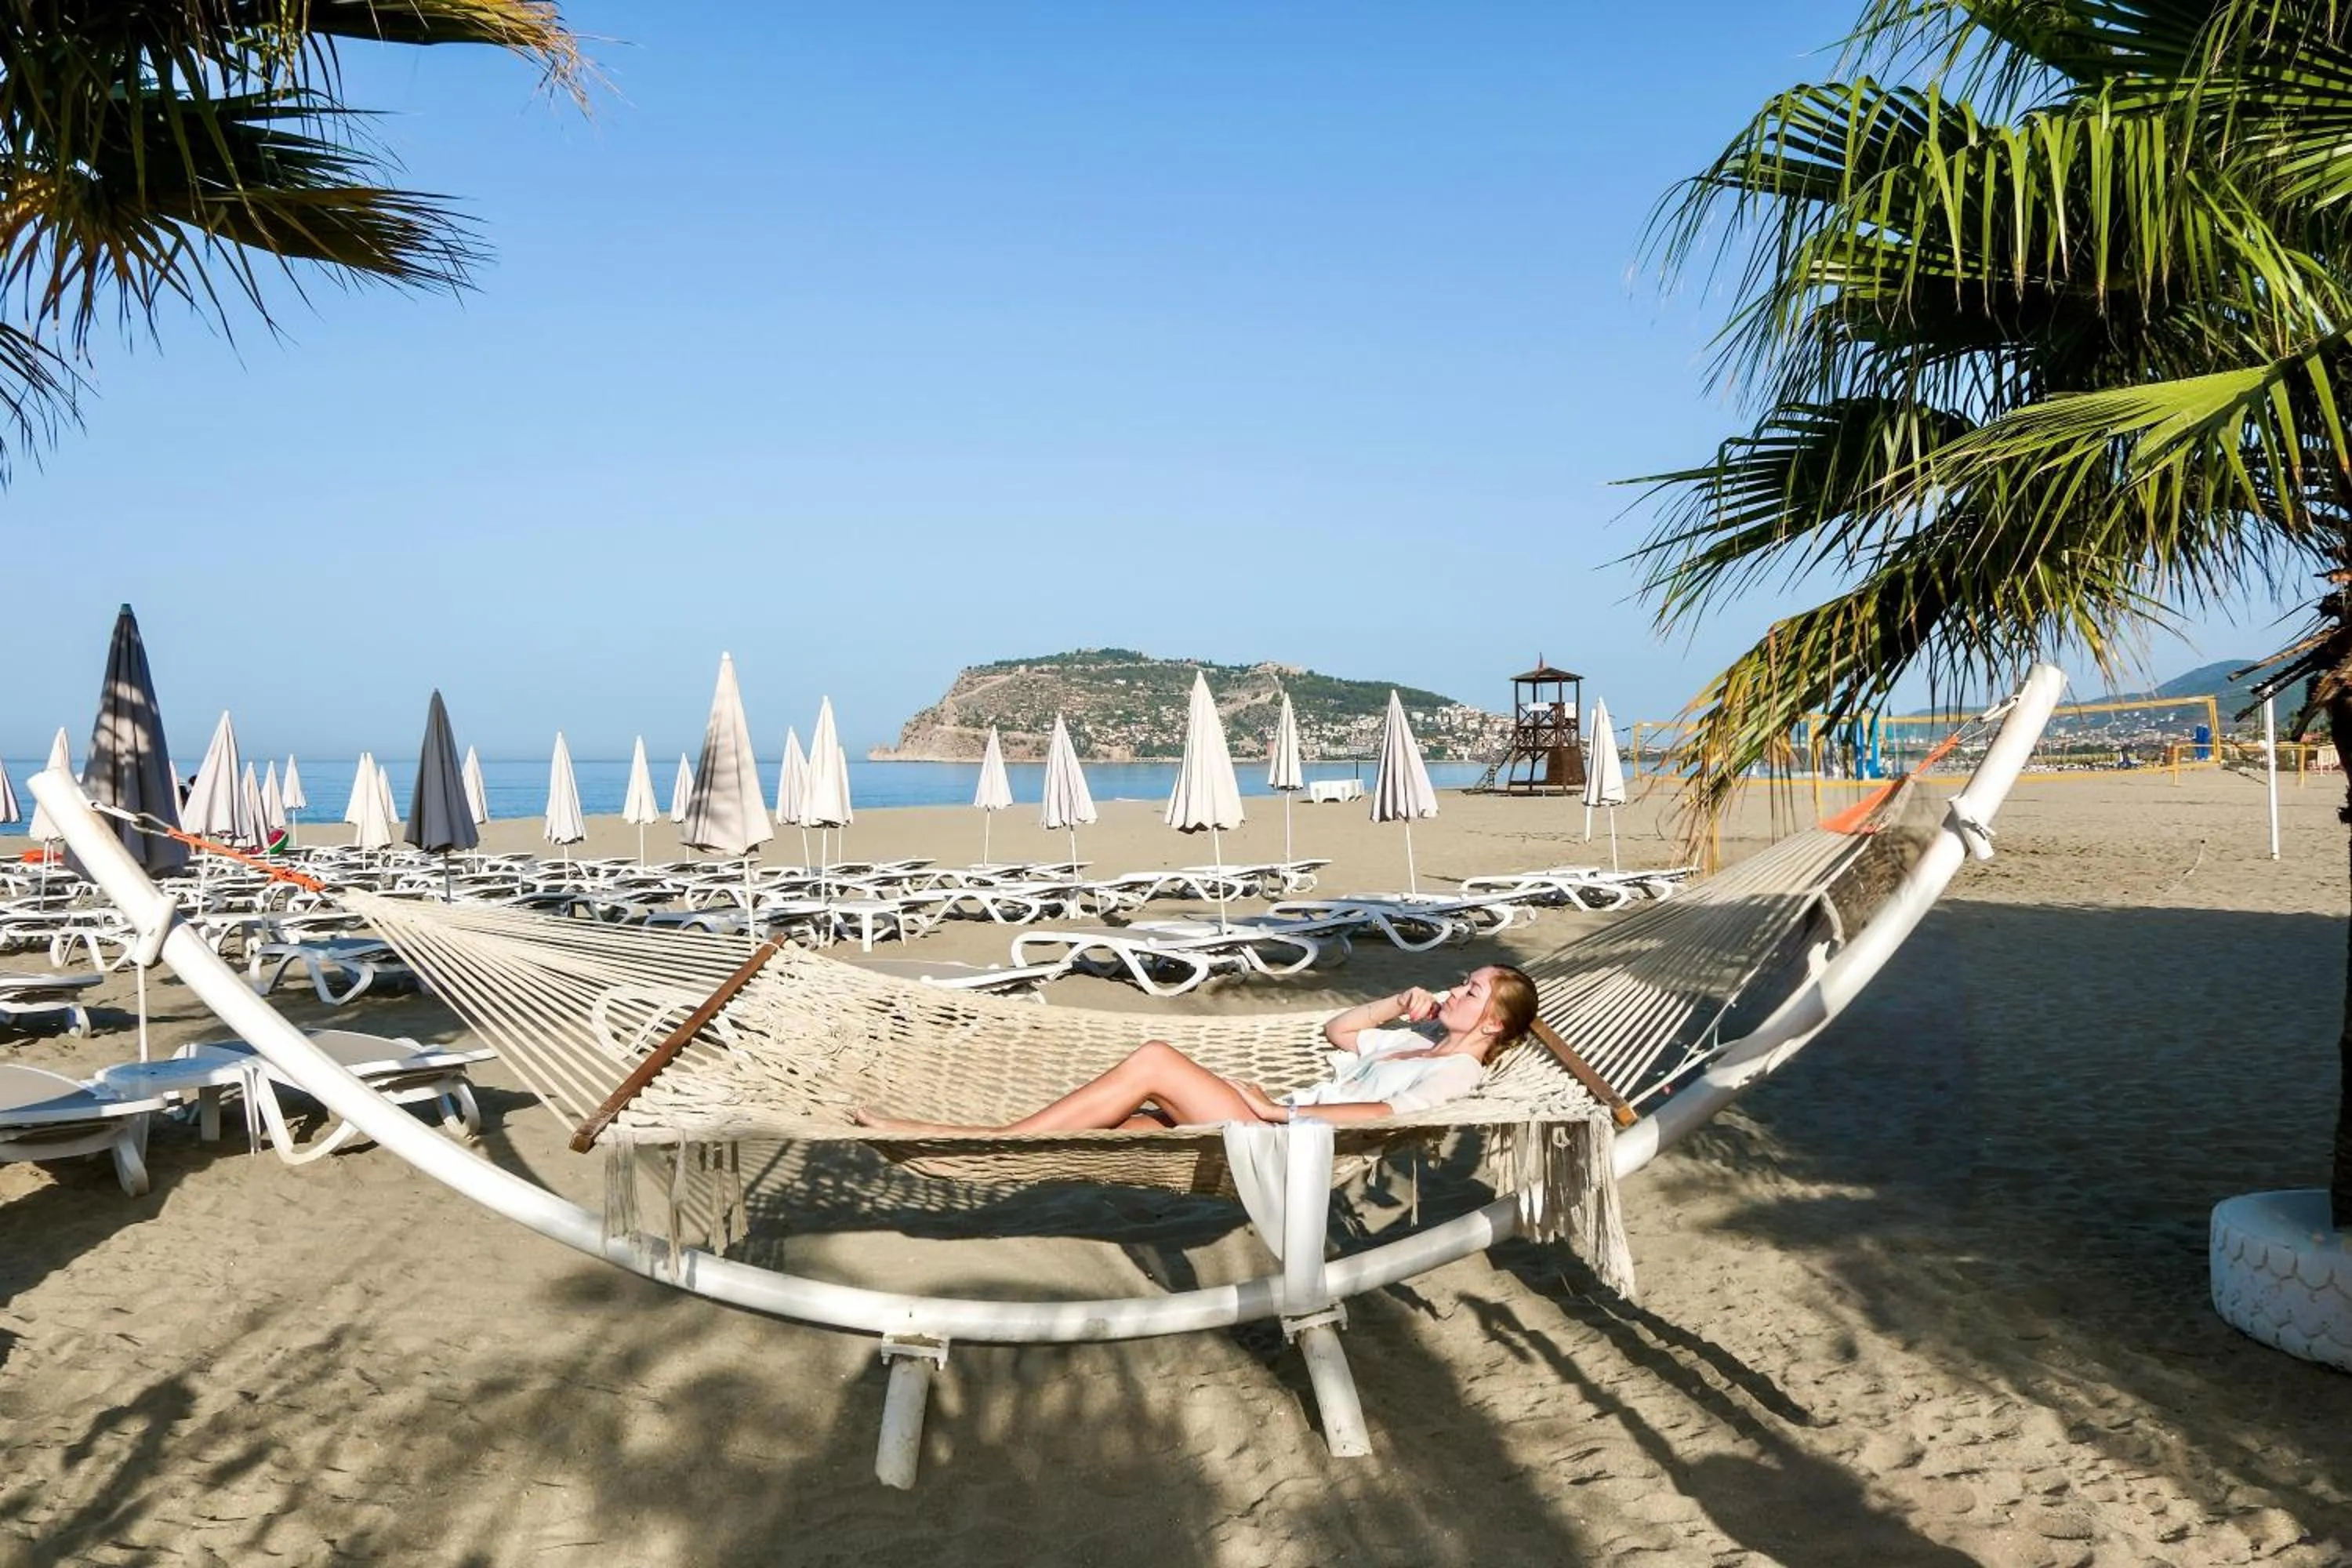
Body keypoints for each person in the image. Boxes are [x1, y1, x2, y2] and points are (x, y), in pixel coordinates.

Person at [852, 964, 1539, 1134]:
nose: (1456, 991)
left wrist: (1279, 1114)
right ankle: (992, 1149)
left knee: (1154, 1059)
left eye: (1472, 992)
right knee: (1135, 1125)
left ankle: (991, 1141)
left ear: (1494, 1027)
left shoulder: (1454, 1072)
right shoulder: (1418, 1039)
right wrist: (1399, 1001)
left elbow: (1392, 1118)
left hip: (1289, 1147)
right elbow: (1341, 1034)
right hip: (1275, 1126)